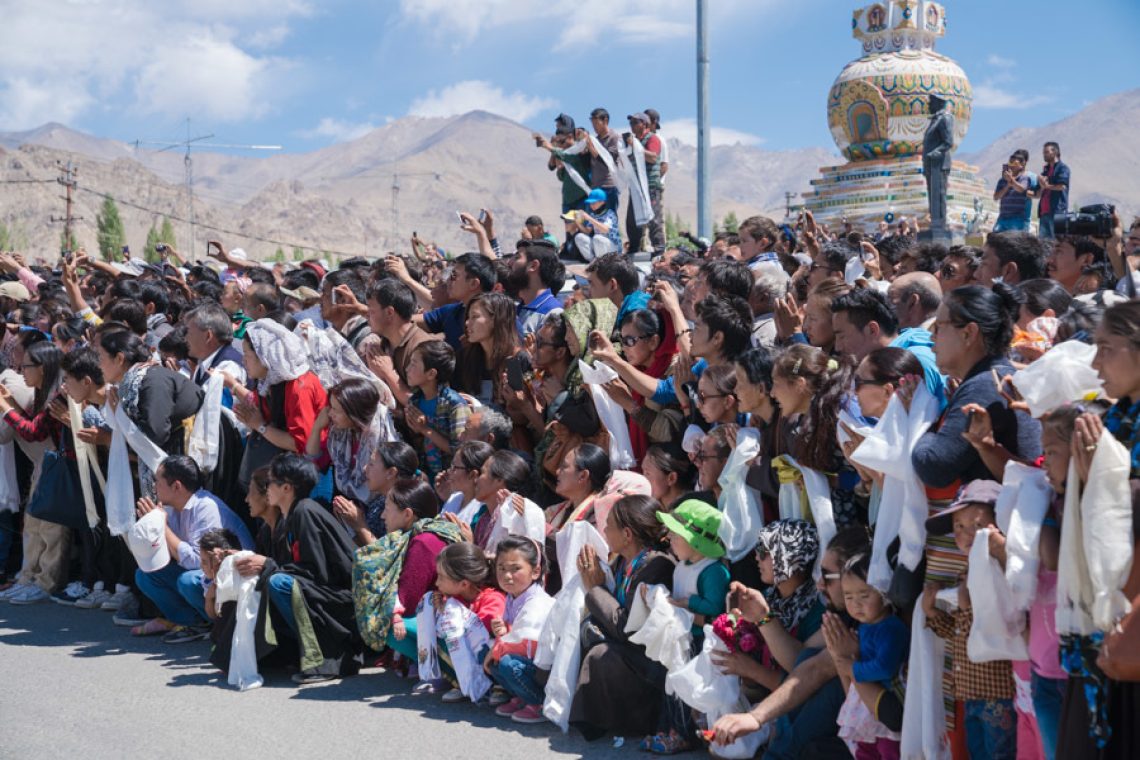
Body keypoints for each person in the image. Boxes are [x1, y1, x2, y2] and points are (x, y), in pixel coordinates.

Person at [239, 453, 361, 684]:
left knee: (279, 582)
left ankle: (326, 656)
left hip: (340, 599)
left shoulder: (305, 511)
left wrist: (268, 565)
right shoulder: (289, 517)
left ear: (286, 488)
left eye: (272, 482)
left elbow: (319, 572)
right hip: (320, 592)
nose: (268, 489)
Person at [570, 494, 676, 741]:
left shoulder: (656, 566)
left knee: (600, 656)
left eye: (609, 526)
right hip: (630, 650)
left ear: (627, 535)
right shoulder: (623, 562)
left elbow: (626, 626)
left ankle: (632, 721)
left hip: (648, 661)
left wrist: (595, 588)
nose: (604, 531)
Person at [922, 480, 1015, 760]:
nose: (965, 534)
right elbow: (964, 634)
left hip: (998, 692)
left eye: (975, 525)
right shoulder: (968, 570)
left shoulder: (1001, 569)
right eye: (958, 526)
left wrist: (964, 607)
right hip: (972, 694)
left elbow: (999, 627)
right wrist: (934, 614)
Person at [131, 456, 254, 642]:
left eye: (159, 482)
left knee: (187, 580)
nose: (155, 487)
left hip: (233, 578)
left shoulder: (206, 507)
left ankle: (214, 622)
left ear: (177, 486)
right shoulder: (172, 508)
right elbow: (160, 553)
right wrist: (151, 525)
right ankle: (192, 622)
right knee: (146, 575)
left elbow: (199, 562)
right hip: (202, 573)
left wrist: (162, 527)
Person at [642, 499, 730, 754]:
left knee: (684, 691)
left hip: (698, 643)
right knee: (669, 687)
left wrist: (685, 603)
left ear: (696, 541)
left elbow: (714, 607)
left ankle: (682, 734)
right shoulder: (684, 564)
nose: (668, 537)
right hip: (679, 639)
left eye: (675, 534)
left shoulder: (713, 571)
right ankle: (665, 730)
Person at [352, 479, 461, 671]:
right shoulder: (431, 532)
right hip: (444, 617)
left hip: (447, 623)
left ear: (408, 514)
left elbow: (408, 601)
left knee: (385, 624)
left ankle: (443, 670)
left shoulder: (424, 542)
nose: (383, 516)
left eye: (387, 508)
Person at [220, 319, 327, 491]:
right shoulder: (271, 381)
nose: (243, 361)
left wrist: (260, 426)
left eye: (247, 355)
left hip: (309, 477)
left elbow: (300, 444)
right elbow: (258, 402)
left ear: (265, 356)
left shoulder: (299, 387)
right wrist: (232, 385)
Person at [0, 340, 69, 605]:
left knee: (51, 528)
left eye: (26, 366)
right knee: (33, 525)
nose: (21, 370)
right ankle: (28, 577)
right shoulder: (40, 394)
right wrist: (12, 406)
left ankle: (46, 582)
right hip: (44, 467)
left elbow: (33, 431)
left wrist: (5, 408)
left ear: (43, 368)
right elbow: (30, 424)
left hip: (57, 468)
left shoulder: (56, 396)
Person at [830, 553, 908, 759]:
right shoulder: (865, 626)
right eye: (849, 597)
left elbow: (884, 667)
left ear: (884, 591)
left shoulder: (890, 628)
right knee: (865, 750)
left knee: (889, 750)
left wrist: (852, 669)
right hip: (866, 704)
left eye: (864, 596)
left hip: (887, 700)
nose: (856, 604)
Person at [418, 542, 507, 703]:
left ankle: (499, 685)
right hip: (477, 654)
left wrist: (448, 614)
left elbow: (480, 633)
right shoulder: (455, 600)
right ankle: (462, 680)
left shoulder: (493, 600)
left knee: (487, 643)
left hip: (491, 654)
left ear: (464, 584)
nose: (437, 583)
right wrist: (441, 611)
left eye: (441, 577)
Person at [486, 535, 555, 724]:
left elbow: (526, 642)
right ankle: (522, 696)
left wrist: (498, 645)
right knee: (490, 656)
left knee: (507, 663)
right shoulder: (512, 596)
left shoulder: (538, 602)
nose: (507, 576)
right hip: (523, 655)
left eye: (515, 569)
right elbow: (513, 633)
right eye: (501, 568)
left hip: (542, 666)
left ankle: (539, 702)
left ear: (535, 571)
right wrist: (502, 631)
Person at [306, 377, 389, 518]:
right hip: (349, 506)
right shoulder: (342, 434)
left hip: (378, 510)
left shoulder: (382, 441)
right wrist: (317, 428)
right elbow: (314, 458)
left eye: (336, 410)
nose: (330, 414)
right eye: (330, 407)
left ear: (354, 413)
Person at [404, 340, 470, 481]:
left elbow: (460, 450)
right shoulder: (414, 402)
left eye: (414, 364)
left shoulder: (454, 405)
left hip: (450, 479)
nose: (407, 369)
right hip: (425, 476)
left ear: (431, 374)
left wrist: (425, 429)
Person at [366, 279, 436, 408]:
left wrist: (388, 373)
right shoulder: (381, 344)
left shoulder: (424, 348)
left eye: (371, 311)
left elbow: (427, 407)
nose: (366, 315)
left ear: (389, 313)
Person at [416, 252, 496, 355]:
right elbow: (410, 322)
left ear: (473, 283)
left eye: (454, 276)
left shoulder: (501, 317)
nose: (448, 281)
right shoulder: (451, 311)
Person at [460, 292, 524, 408]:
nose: (467, 323)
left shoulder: (518, 360)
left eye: (475, 317)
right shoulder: (465, 358)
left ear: (496, 319)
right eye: (468, 317)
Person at [545, 443, 612, 534]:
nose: (557, 472)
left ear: (583, 476)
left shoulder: (600, 518)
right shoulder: (555, 511)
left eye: (564, 467)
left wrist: (543, 528)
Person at [506, 241, 565, 338]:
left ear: (533, 266)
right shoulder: (516, 308)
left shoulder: (553, 312)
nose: (510, 263)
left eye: (517, 258)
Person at [623, 112, 664, 253]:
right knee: (632, 220)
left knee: (654, 219)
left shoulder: (653, 139)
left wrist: (635, 147)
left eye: (635, 122)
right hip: (636, 187)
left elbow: (653, 157)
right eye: (631, 123)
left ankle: (659, 249)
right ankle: (634, 248)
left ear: (644, 124)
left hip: (650, 186)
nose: (632, 126)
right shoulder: (635, 142)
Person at [565, 191, 622, 263]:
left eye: (594, 203)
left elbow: (605, 229)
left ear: (602, 202)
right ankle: (593, 262)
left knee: (597, 238)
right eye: (591, 203)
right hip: (599, 246)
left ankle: (602, 263)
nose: (592, 205)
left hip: (613, 249)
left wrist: (589, 218)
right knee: (579, 237)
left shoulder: (610, 214)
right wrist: (577, 222)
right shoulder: (593, 215)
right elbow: (587, 231)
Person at [993, 149, 1039, 233]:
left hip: (1018, 219)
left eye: (1015, 163)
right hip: (1002, 217)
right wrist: (1008, 184)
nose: (1011, 165)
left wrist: (1012, 181)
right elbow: (996, 197)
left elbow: (1022, 189)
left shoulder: (1026, 178)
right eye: (1010, 162)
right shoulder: (1002, 181)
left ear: (1022, 164)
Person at [641, 444, 697, 510]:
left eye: (648, 473)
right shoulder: (650, 512)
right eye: (643, 472)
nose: (643, 479)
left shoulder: (692, 513)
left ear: (671, 478)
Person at [1036, 141, 1070, 239]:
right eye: (1044, 152)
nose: (1044, 155)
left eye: (1046, 152)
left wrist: (1047, 186)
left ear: (1055, 152)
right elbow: (1038, 192)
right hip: (1044, 214)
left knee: (1057, 244)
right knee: (1043, 247)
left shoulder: (1063, 169)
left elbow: (1062, 186)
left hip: (1057, 213)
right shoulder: (1045, 171)